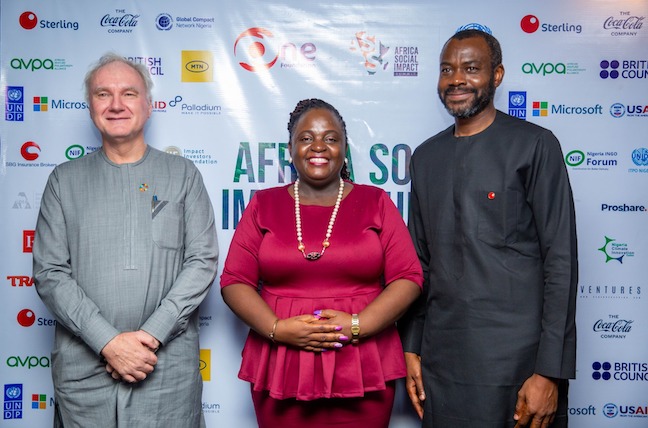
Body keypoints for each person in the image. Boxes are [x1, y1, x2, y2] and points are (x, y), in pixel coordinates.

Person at [400, 29, 578, 428]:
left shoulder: (536, 146)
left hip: (519, 364)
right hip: (443, 364)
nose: (456, 79)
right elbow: (420, 263)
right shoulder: (427, 157)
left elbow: (561, 263)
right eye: (447, 70)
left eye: (471, 68)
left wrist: (550, 371)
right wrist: (411, 348)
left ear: (497, 76)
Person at [33, 53, 218, 427]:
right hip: (85, 375)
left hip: (166, 372)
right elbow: (50, 272)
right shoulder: (62, 180)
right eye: (103, 94)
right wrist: (108, 342)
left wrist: (150, 336)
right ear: (90, 108)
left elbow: (202, 262)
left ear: (148, 106)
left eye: (129, 94)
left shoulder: (183, 175)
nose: (116, 104)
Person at [220, 98, 423, 428]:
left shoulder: (376, 201)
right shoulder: (263, 204)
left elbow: (408, 276)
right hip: (282, 363)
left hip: (363, 362)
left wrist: (360, 325)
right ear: (290, 147)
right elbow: (234, 281)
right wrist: (277, 329)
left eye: (331, 138)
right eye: (306, 138)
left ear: (344, 147)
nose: (319, 146)